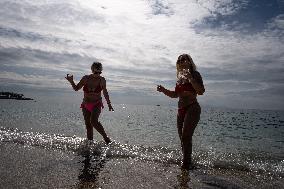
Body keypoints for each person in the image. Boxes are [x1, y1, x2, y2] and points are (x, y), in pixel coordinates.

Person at [157, 54, 205, 170]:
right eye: (179, 60)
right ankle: (187, 162)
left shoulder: (195, 74)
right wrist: (163, 90)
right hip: (181, 110)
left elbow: (201, 91)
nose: (182, 61)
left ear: (189, 61)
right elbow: (175, 95)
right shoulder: (179, 78)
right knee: (183, 138)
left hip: (192, 107)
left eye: (184, 59)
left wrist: (191, 79)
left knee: (186, 137)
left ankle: (186, 164)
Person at [65, 62, 114, 144]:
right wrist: (71, 81)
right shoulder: (86, 78)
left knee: (94, 121)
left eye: (99, 72)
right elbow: (76, 88)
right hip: (85, 105)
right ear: (92, 70)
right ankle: (90, 144)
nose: (98, 74)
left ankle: (106, 138)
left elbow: (105, 92)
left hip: (96, 104)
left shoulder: (102, 80)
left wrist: (109, 104)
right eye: (96, 72)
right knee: (88, 126)